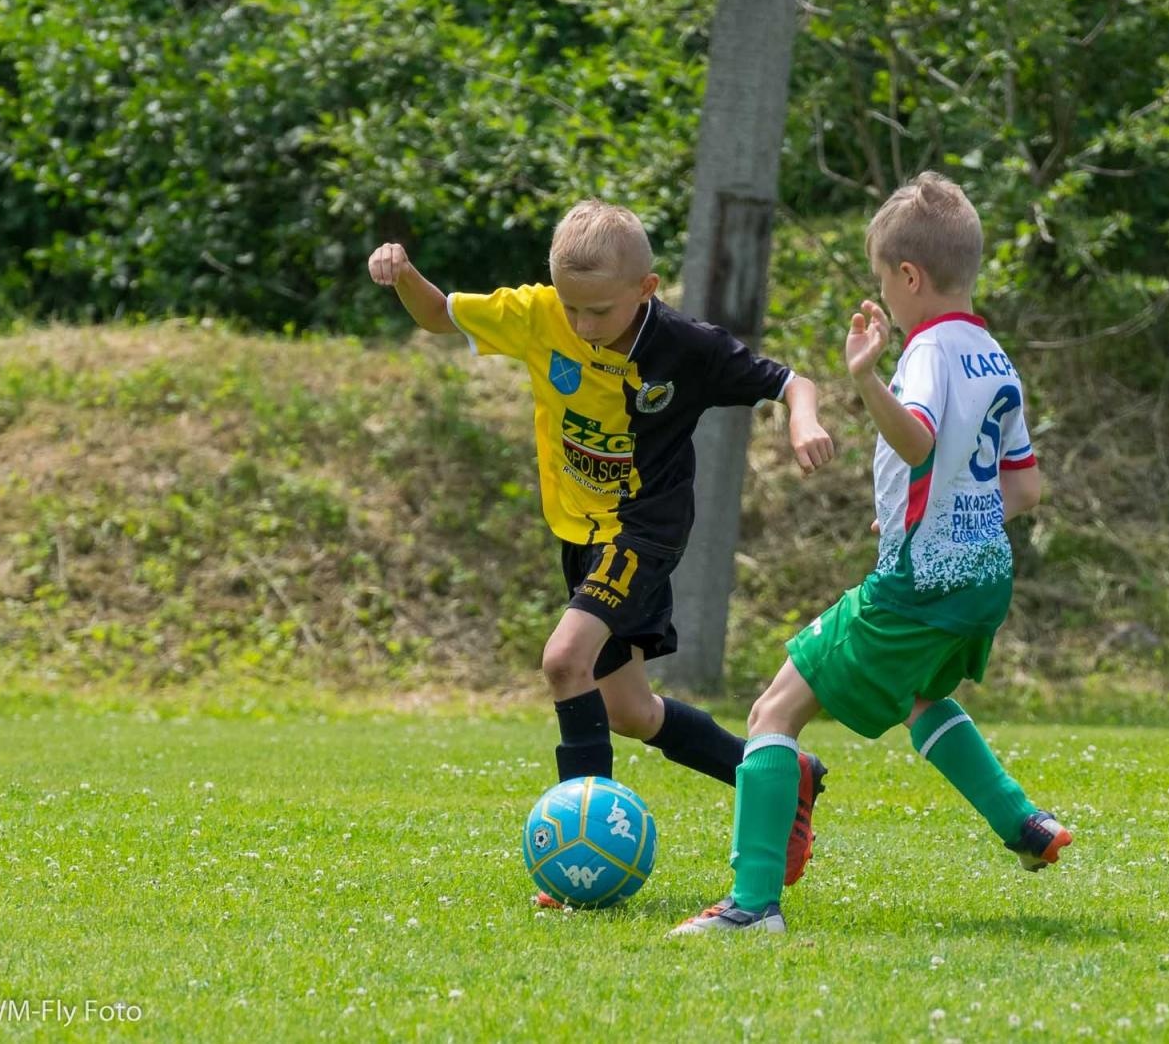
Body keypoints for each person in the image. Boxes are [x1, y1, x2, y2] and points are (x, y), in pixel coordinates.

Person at [367, 200, 835, 900]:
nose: (584, 327)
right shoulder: (537, 315)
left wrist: (804, 422)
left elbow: (789, 381)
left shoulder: (686, 347)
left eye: (601, 313)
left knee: (563, 661)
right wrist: (402, 272)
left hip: (642, 530)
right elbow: (438, 315)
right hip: (578, 536)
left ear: (646, 290)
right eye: (572, 309)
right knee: (629, 711)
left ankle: (581, 860)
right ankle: (775, 772)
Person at [670, 172, 1070, 936]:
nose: (884, 298)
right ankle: (1024, 823)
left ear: (910, 277)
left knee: (772, 711)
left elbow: (916, 440)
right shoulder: (994, 356)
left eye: (885, 283)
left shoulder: (924, 354)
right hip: (983, 580)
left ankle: (752, 907)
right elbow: (1025, 489)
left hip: (918, 584)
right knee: (922, 695)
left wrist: (865, 377)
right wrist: (963, 517)